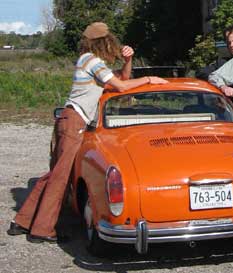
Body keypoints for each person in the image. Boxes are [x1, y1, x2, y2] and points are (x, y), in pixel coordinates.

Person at [7, 22, 168, 243]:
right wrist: (150, 79)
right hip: (75, 121)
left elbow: (121, 79)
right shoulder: (91, 60)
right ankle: (42, 230)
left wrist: (128, 61)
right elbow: (121, 87)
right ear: (104, 42)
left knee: (54, 174)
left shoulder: (91, 62)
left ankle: (23, 221)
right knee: (61, 178)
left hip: (68, 119)